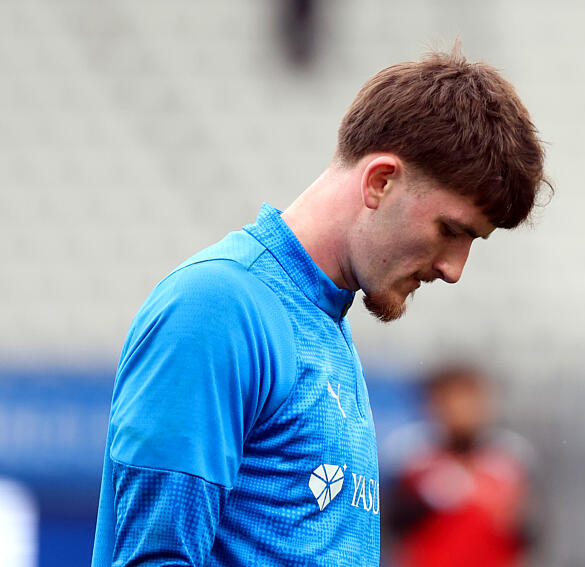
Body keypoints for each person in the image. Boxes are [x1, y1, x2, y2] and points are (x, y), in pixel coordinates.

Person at [91, 44, 549, 567]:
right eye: (450, 230)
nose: (454, 269)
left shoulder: (324, 325)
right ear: (380, 181)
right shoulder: (219, 309)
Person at [384, 363, 537, 567]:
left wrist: (506, 513)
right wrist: (431, 498)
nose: (461, 411)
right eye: (451, 400)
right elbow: (391, 524)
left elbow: (532, 530)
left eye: (469, 401)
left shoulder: (509, 459)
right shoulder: (412, 456)